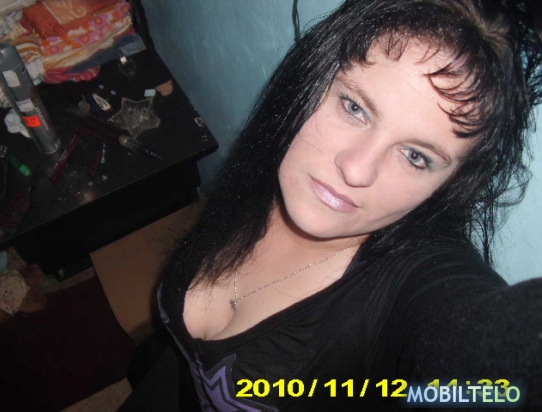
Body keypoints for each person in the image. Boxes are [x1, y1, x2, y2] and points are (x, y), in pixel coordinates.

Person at [126, 0, 542, 410]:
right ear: (312, 79)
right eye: (354, 107)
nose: (356, 170)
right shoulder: (274, 169)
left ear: (448, 185)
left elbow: (498, 360)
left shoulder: (413, 285)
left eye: (416, 156)